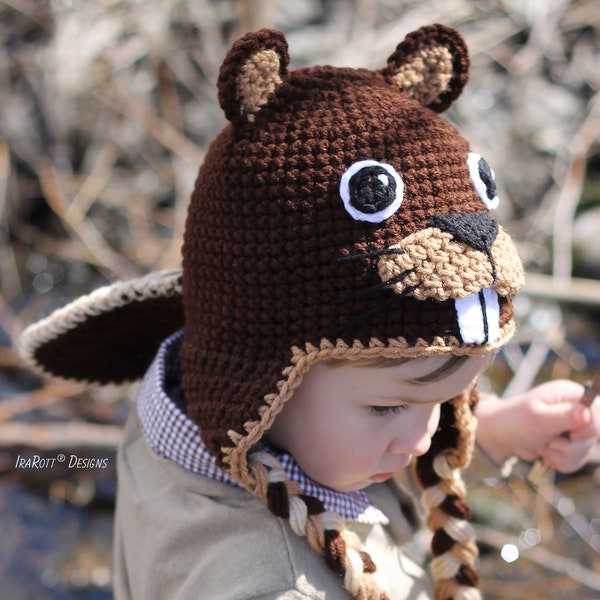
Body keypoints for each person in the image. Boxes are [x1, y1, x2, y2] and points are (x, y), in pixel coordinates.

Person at [19, 24, 599, 600]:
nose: (421, 442)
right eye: (389, 406)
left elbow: (343, 415)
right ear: (262, 380)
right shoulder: (273, 582)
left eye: (445, 400)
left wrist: (495, 430)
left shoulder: (192, 404)